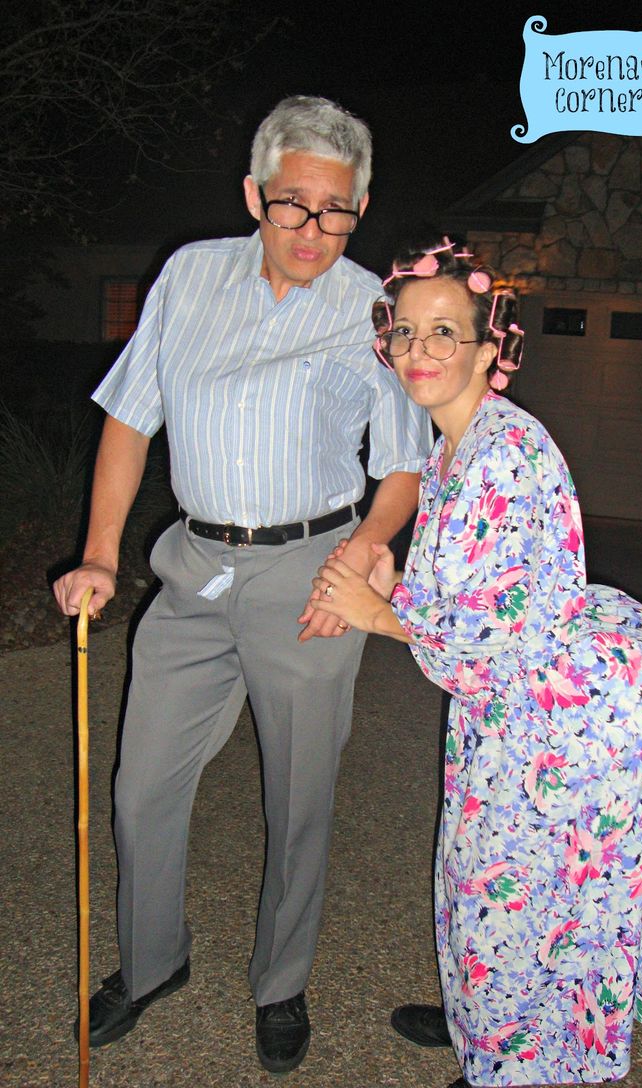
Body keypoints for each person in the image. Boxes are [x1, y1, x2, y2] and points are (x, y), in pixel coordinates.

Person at [53, 96, 430, 1073]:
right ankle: (150, 962)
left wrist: (365, 549)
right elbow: (131, 420)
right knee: (141, 790)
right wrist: (100, 551)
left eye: (336, 210)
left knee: (298, 796)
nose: (313, 230)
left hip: (312, 573)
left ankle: (281, 980)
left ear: (360, 206)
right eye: (293, 205)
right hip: (192, 569)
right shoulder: (189, 276)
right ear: (254, 194)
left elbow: (401, 463)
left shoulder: (369, 308)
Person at [312, 240, 642, 1088]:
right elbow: (469, 589)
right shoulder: (450, 445)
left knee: (523, 899)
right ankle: (482, 1022)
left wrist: (376, 613)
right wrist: (395, 578)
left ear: (490, 352)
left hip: (559, 723)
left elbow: (493, 638)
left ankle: (517, 1061)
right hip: (515, 712)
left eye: (444, 333)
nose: (420, 352)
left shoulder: (502, 454)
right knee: (480, 882)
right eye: (407, 333)